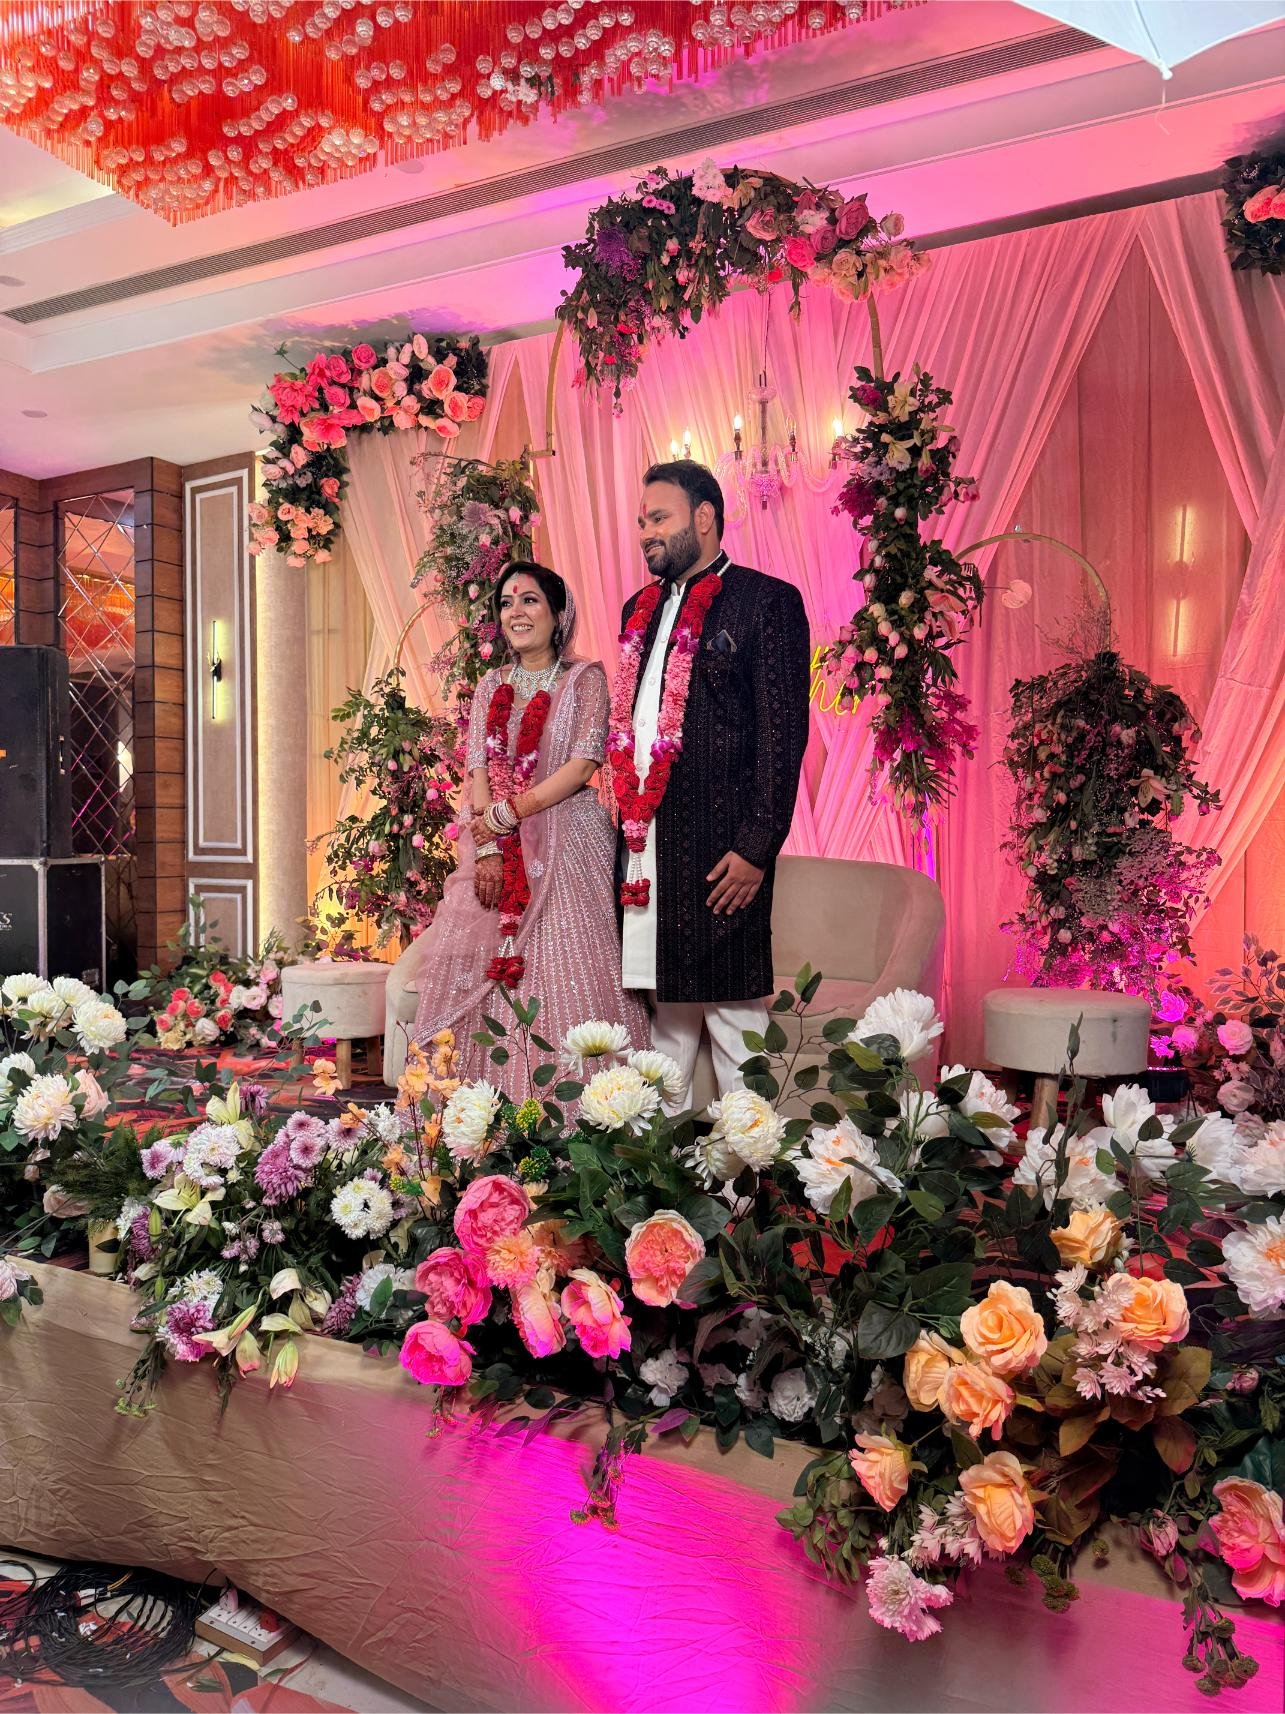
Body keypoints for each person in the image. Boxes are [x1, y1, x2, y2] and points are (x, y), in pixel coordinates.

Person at [613, 460, 810, 1108]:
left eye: (659, 517)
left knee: (732, 1015)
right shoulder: (637, 611)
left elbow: (782, 735)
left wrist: (756, 845)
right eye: (641, 520)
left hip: (723, 849)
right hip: (647, 846)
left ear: (704, 517)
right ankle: (655, 1164)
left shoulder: (765, 602)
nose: (646, 532)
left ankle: (752, 1166)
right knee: (663, 1015)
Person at [413, 562, 649, 1093]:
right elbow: (478, 766)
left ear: (559, 614)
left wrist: (511, 812)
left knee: (567, 968)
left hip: (570, 843)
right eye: (506, 603)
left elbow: (584, 764)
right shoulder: (490, 684)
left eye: (529, 600)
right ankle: (485, 1106)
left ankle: (582, 1106)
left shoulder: (585, 679)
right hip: (497, 841)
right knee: (491, 962)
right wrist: (489, 843)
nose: (515, 612)